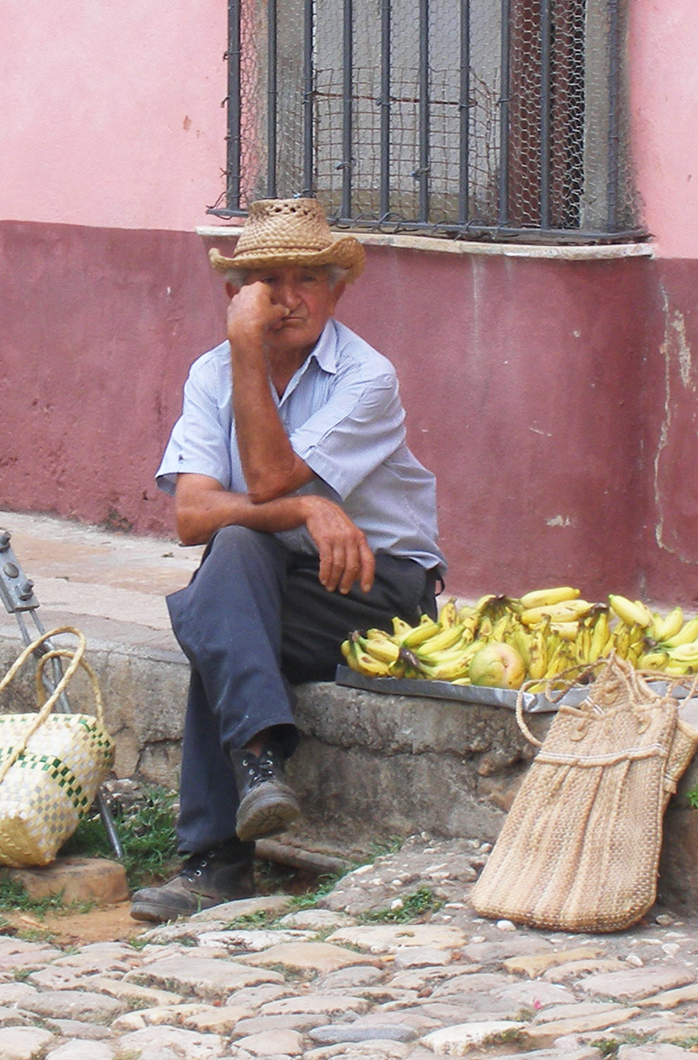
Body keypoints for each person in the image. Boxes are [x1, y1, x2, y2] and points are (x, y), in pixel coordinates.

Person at [129, 197, 443, 923]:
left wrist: (248, 356)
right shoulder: (211, 374)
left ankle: (215, 861)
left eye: (309, 278)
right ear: (241, 295)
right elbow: (191, 515)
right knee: (232, 564)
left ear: (339, 288)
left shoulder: (367, 378)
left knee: (220, 602)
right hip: (273, 584)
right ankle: (259, 771)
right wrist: (304, 508)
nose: (290, 297)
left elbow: (265, 477)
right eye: (270, 279)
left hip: (377, 592)